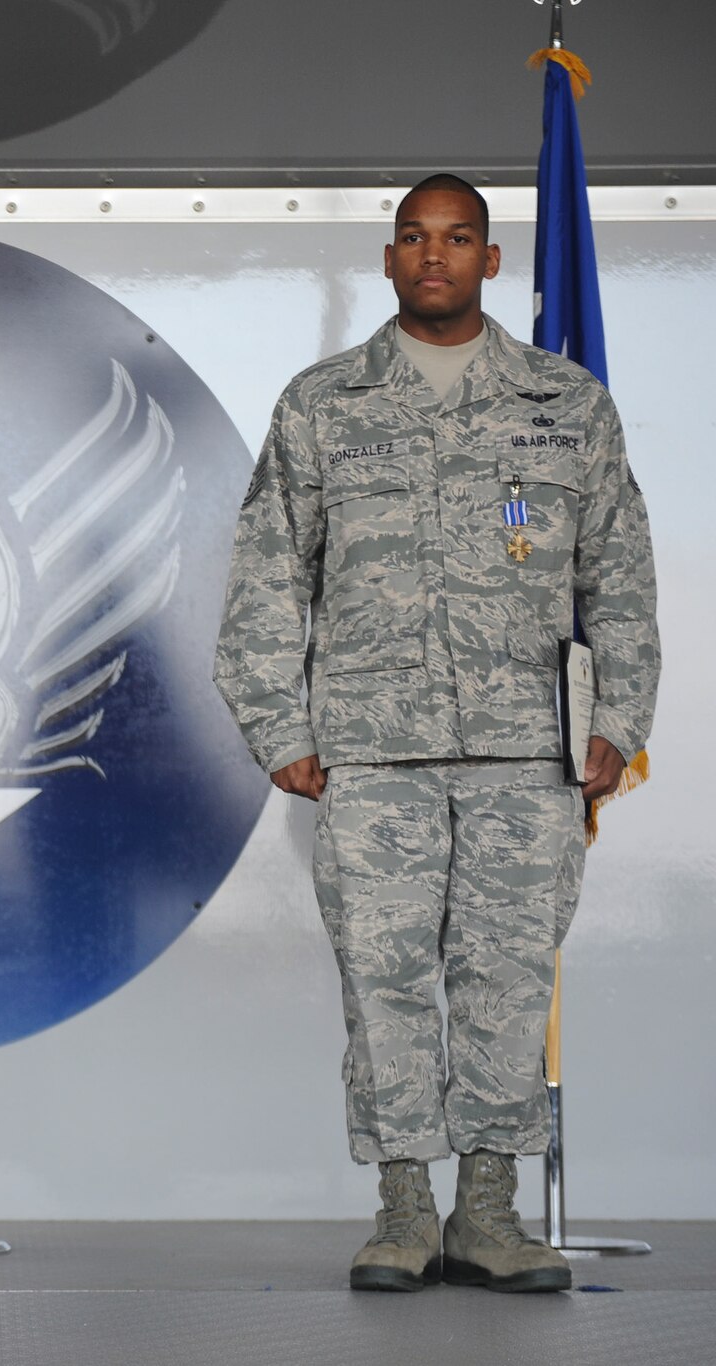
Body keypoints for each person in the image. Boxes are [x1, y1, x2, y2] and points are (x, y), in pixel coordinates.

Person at [214, 175, 660, 1295]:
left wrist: (615, 720)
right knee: (386, 982)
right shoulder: (322, 403)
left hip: (525, 751)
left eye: (457, 238)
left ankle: (491, 1212)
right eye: (413, 238)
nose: (433, 256)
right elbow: (267, 575)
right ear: (387, 258)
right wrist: (277, 722)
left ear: (489, 262)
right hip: (371, 754)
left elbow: (617, 576)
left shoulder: (564, 403)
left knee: (505, 979)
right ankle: (404, 1208)